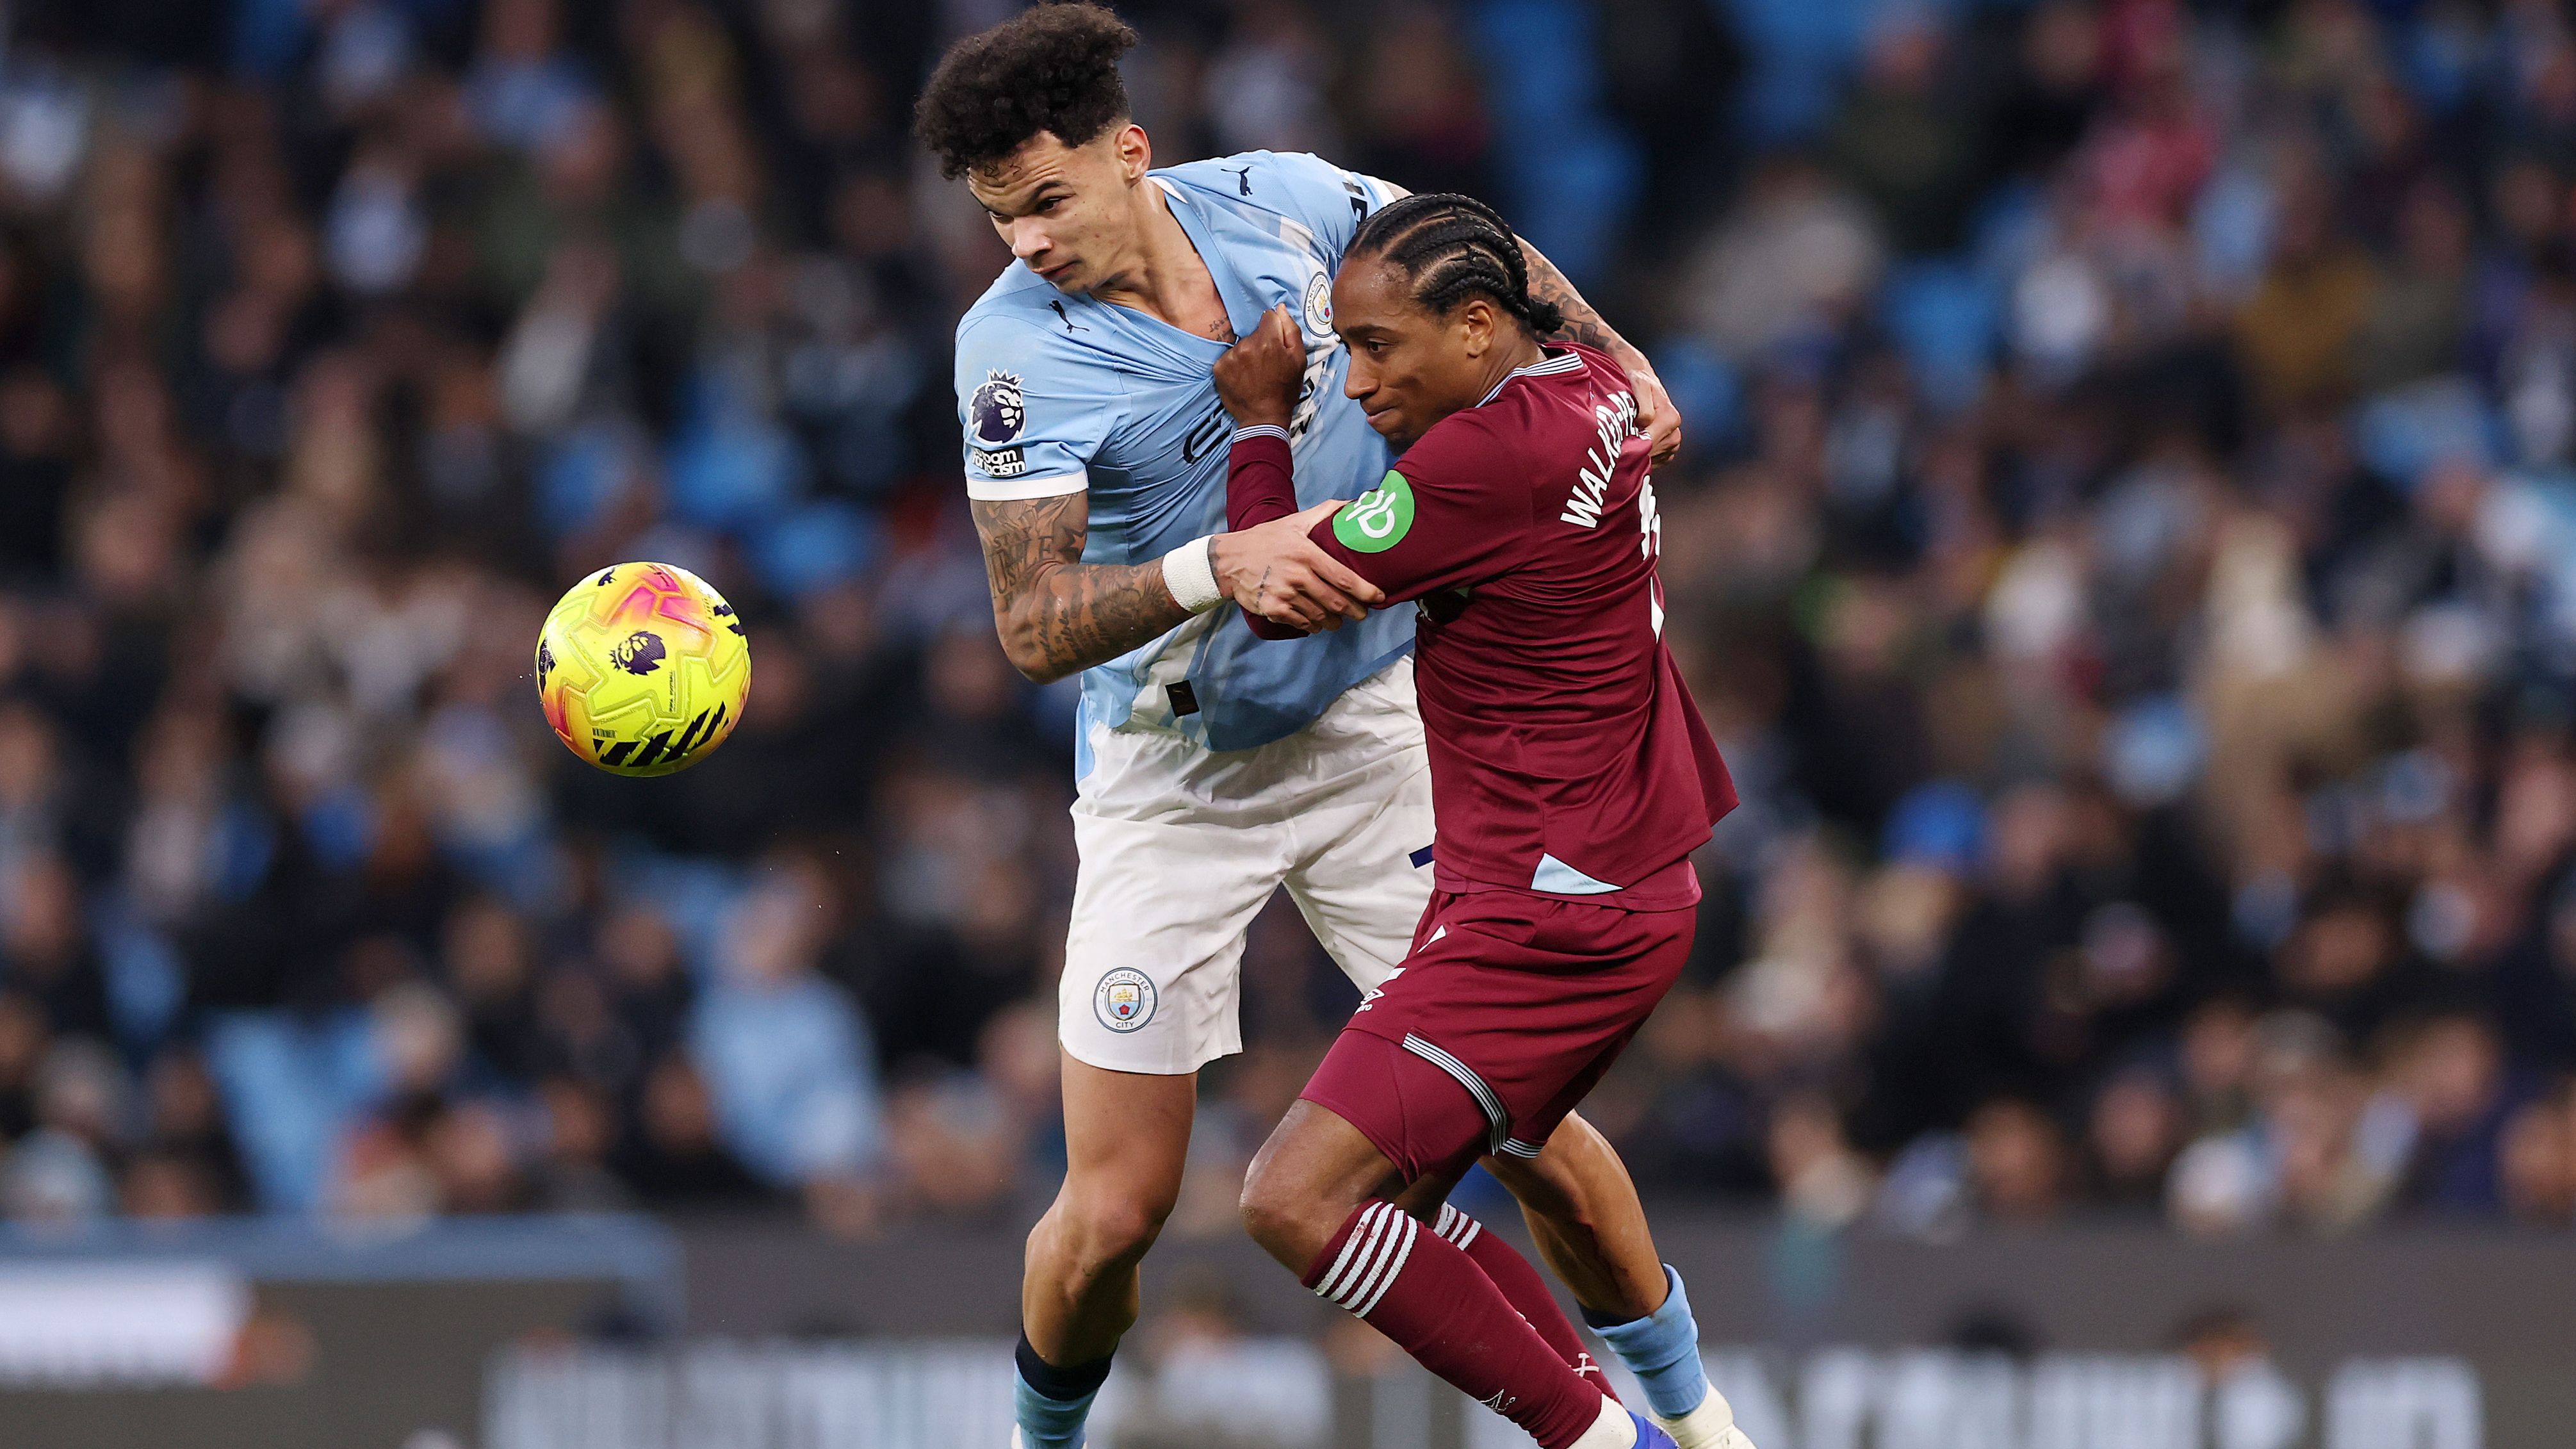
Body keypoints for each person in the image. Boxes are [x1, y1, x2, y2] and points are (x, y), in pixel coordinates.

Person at [911, 8, 1736, 1449]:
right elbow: (1031, 626)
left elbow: (1480, 257)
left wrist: (1621, 355)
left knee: (1528, 1135)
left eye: (1045, 200)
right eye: (999, 219)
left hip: (1369, 729)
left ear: (1129, 150)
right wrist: (1206, 567)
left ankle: (1704, 1429)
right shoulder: (1011, 353)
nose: (1026, 244)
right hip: (1174, 772)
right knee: (1112, 1215)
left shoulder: (1285, 199)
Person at [1212, 192, 1748, 1449]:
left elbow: (1272, 593)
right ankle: (1695, 1426)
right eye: (1346, 349)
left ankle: (1610, 1443)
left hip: (1548, 912)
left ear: (1472, 327)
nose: (1356, 382)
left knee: (1293, 1201)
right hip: (1602, 872)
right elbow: (1530, 287)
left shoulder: (1486, 460)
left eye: (1377, 347)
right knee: (1406, 1202)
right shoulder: (1594, 382)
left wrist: (1258, 427)